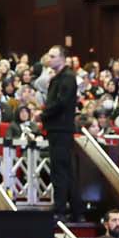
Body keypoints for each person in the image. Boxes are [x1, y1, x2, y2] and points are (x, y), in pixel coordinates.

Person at [41, 46, 77, 218]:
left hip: (61, 129)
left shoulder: (67, 78)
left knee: (61, 170)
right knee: (61, 169)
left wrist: (43, 114)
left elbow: (61, 102)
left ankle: (61, 208)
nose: (49, 59)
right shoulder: (59, 78)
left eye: (53, 56)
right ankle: (67, 207)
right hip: (57, 128)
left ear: (62, 58)